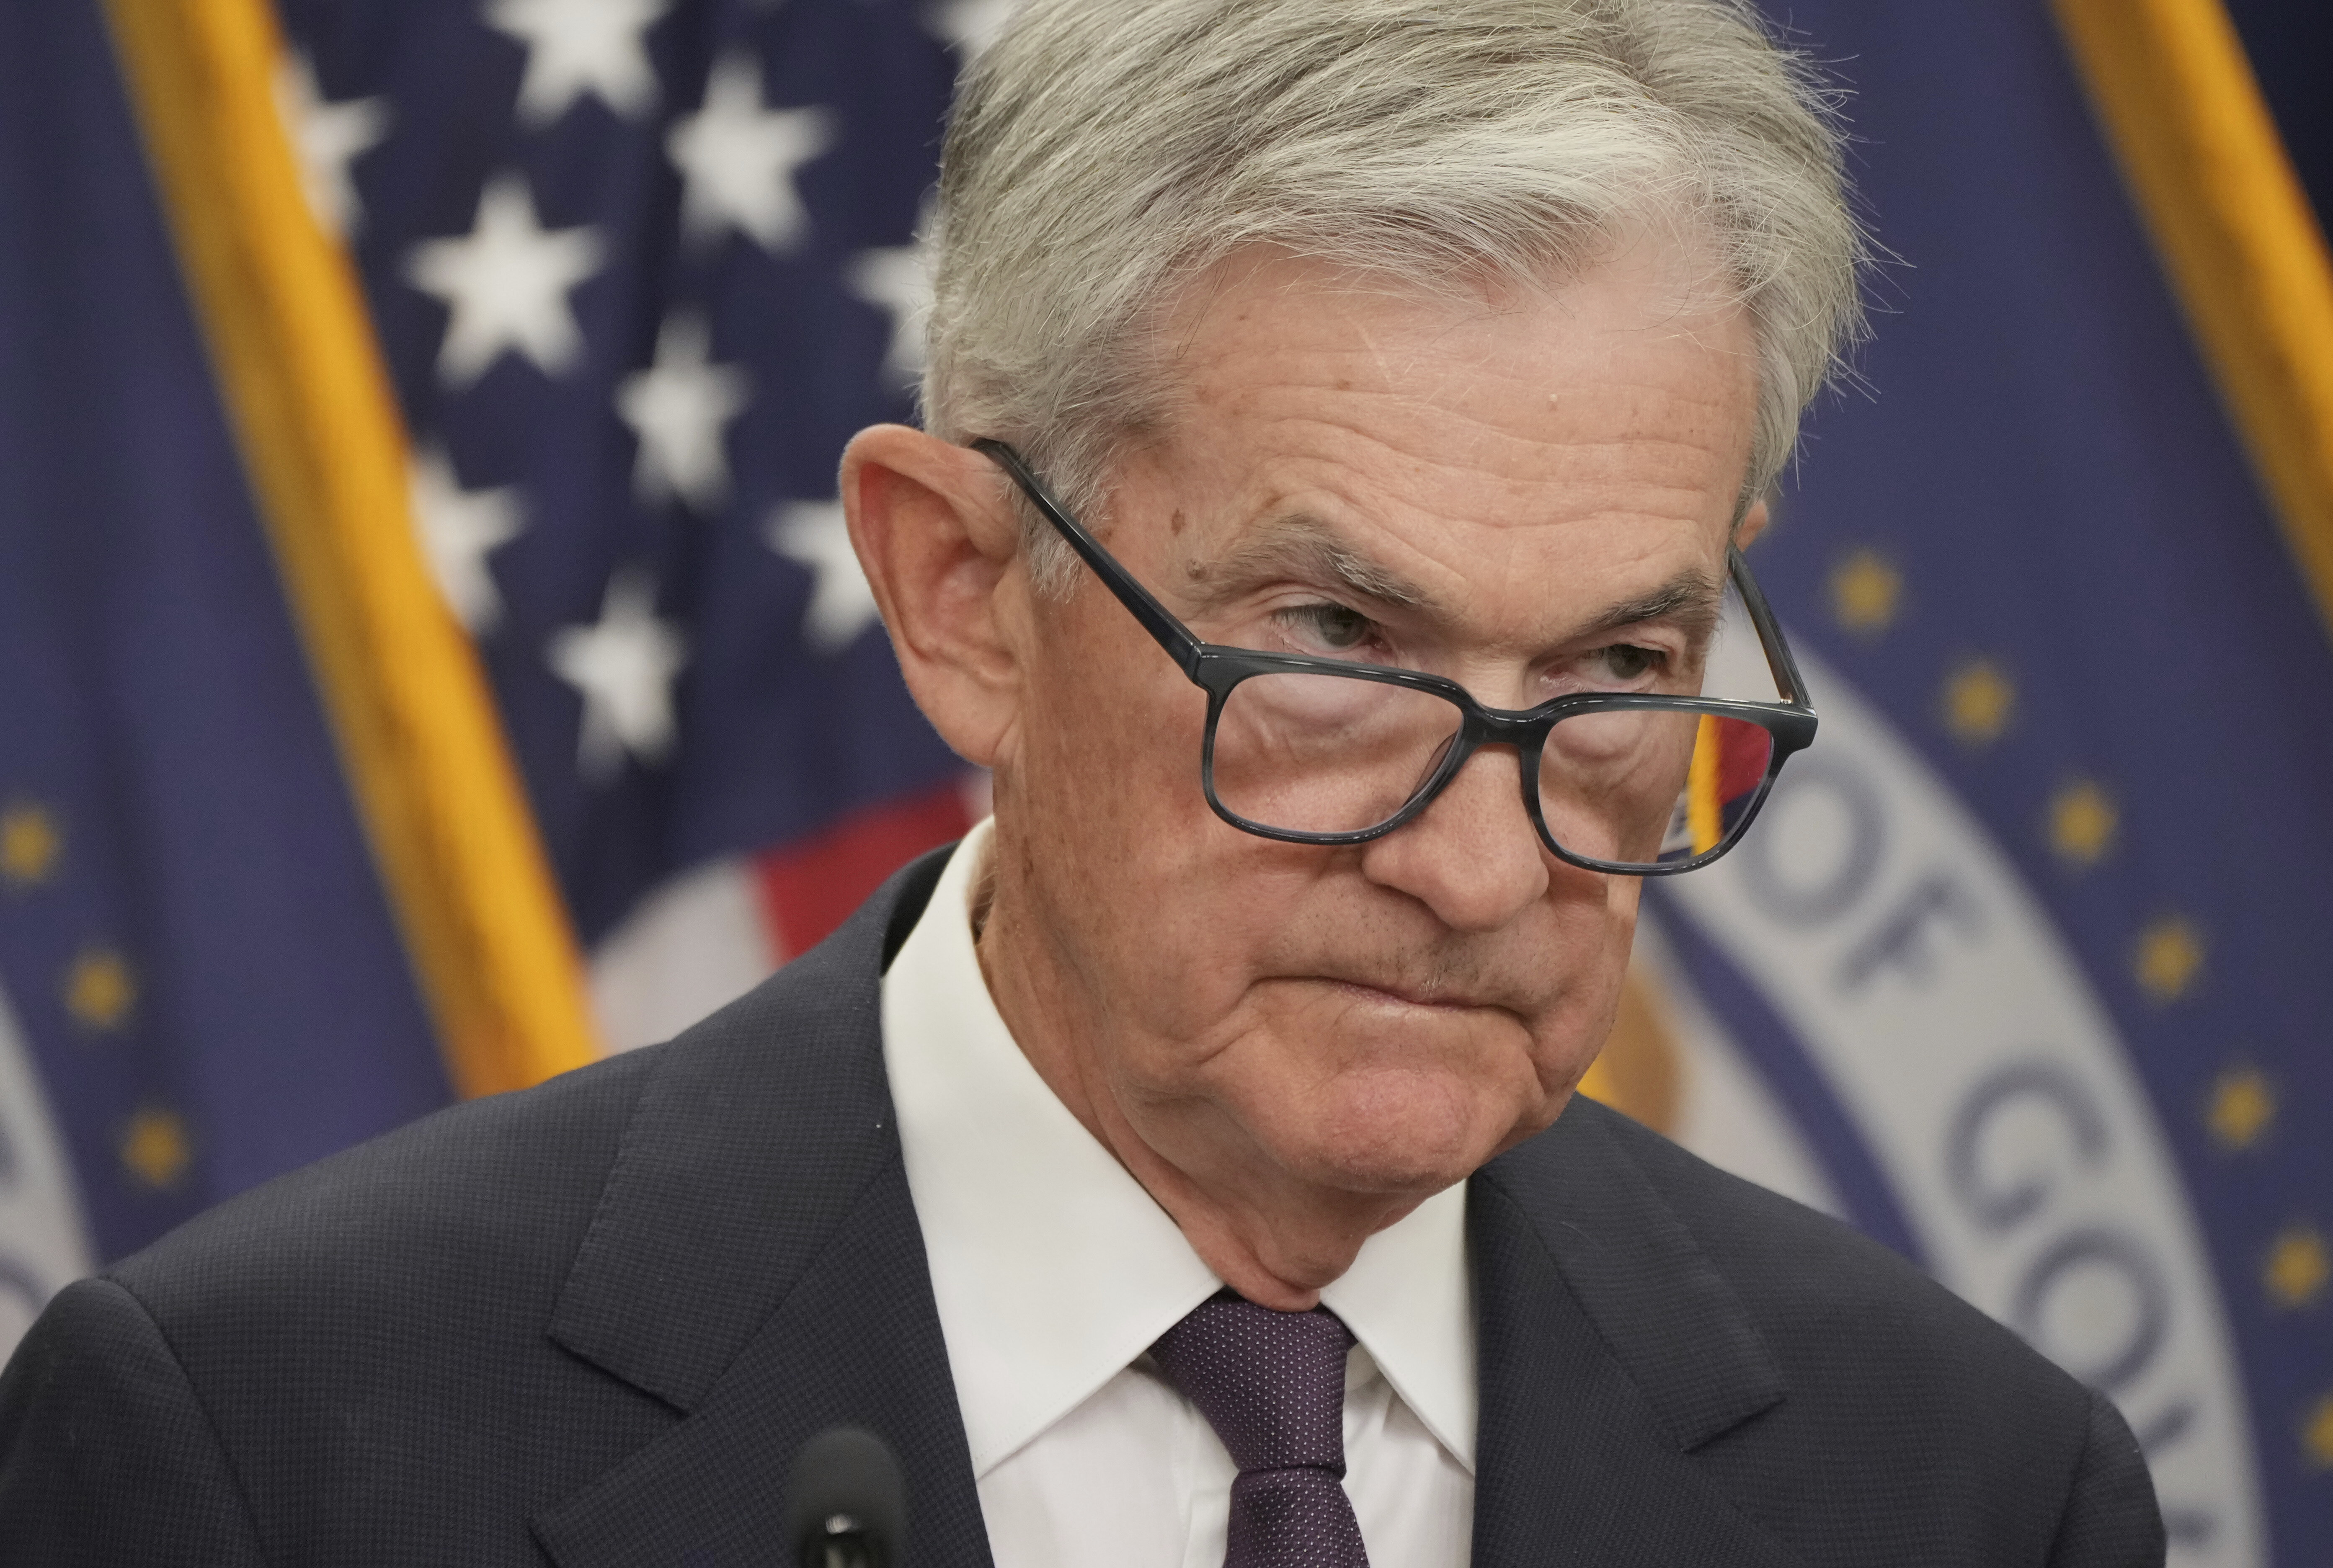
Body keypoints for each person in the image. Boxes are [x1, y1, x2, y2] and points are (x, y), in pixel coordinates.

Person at [0, 0, 2161, 1563]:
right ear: (961, 594)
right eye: (1332, 648)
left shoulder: (1968, 1487)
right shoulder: (266, 1454)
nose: (1488, 861)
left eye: (1615, 669)